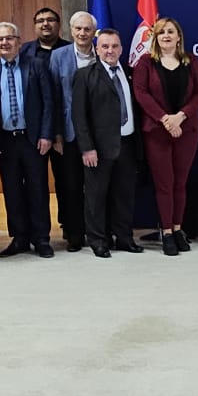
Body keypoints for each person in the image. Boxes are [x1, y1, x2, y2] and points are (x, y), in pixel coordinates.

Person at [0, 21, 58, 258]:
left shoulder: (36, 65)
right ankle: (20, 238)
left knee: (38, 189)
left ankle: (41, 238)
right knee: (12, 191)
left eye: (9, 38)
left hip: (32, 139)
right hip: (5, 141)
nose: (5, 42)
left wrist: (46, 134)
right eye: (0, 39)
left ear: (19, 42)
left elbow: (49, 102)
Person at [133, 17, 198, 255]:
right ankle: (166, 232)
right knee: (164, 184)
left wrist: (180, 117)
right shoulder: (146, 62)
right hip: (157, 131)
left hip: (187, 130)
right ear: (155, 37)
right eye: (161, 32)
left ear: (178, 37)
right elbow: (141, 93)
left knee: (180, 183)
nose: (166, 35)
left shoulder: (191, 61)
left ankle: (177, 229)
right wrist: (165, 119)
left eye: (170, 31)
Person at [74, 28, 144, 257]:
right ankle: (98, 240)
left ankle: (124, 238)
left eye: (114, 46)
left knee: (124, 195)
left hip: (128, 144)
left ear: (121, 49)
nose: (110, 51)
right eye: (105, 46)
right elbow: (79, 116)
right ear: (97, 49)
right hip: (98, 148)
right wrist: (87, 148)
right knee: (96, 197)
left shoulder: (131, 73)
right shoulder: (85, 75)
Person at [47, 11, 99, 251]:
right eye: (78, 28)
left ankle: (98, 230)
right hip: (68, 133)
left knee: (97, 185)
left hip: (98, 132)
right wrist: (56, 134)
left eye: (87, 29)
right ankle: (74, 233)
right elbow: (54, 98)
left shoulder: (103, 53)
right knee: (71, 185)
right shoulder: (58, 56)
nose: (82, 33)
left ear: (94, 32)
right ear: (70, 30)